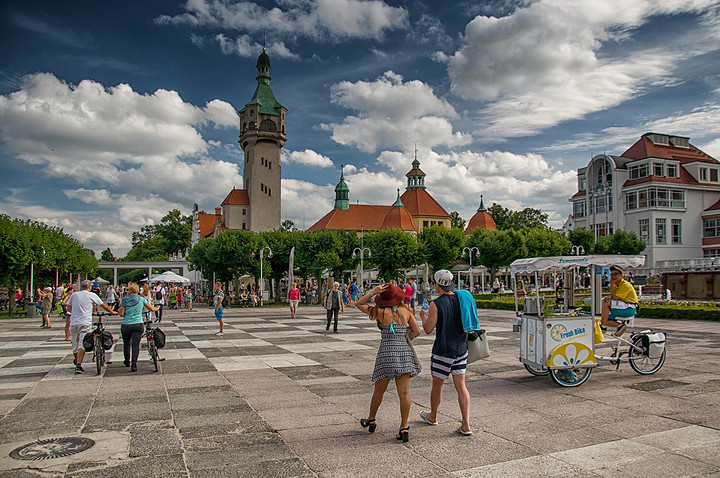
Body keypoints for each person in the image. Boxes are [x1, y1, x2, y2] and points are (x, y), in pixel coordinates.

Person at [355, 283, 421, 442]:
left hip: (386, 353)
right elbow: (417, 331)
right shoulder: (406, 311)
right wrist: (405, 339)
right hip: (403, 352)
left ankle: (371, 419)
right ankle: (403, 427)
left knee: (379, 391)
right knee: (404, 392)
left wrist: (373, 292)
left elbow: (359, 304)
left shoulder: (380, 312)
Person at [418, 269, 472, 436]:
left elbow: (428, 329)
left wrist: (423, 316)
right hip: (461, 348)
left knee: (437, 385)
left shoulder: (437, 304)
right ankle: (466, 424)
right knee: (461, 386)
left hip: (443, 349)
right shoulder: (461, 298)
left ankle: (433, 416)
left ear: (436, 284)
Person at [66, 280, 117, 374]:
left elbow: (69, 308)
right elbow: (104, 306)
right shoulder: (92, 295)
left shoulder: (74, 295)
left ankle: (77, 360)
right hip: (85, 322)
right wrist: (112, 312)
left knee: (74, 344)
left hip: (74, 322)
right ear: (90, 287)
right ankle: (78, 365)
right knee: (82, 343)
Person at [117, 282, 159, 372]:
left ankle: (127, 361)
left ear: (130, 290)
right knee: (135, 345)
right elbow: (151, 309)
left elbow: (121, 314)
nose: (127, 291)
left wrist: (119, 310)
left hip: (126, 324)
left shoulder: (124, 300)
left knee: (126, 343)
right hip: (138, 324)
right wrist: (157, 308)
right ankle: (134, 364)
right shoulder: (141, 299)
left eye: (128, 289)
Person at [600, 265, 639, 337]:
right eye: (612, 274)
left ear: (621, 275)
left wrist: (611, 285)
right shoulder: (617, 285)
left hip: (629, 308)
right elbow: (613, 297)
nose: (613, 276)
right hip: (623, 306)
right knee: (604, 320)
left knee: (606, 303)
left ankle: (603, 327)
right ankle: (620, 325)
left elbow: (614, 298)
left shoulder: (625, 285)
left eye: (616, 274)